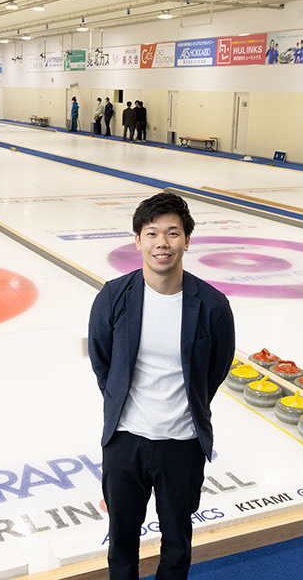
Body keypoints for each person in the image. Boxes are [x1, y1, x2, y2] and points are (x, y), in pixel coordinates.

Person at [89, 192, 235, 580]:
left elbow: (216, 369)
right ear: (138, 240)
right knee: (122, 541)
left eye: (172, 233)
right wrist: (121, 403)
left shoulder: (212, 305)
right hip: (126, 442)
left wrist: (188, 407)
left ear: (187, 240)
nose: (162, 243)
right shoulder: (114, 296)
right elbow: (103, 363)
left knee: (177, 543)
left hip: (182, 444)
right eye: (152, 233)